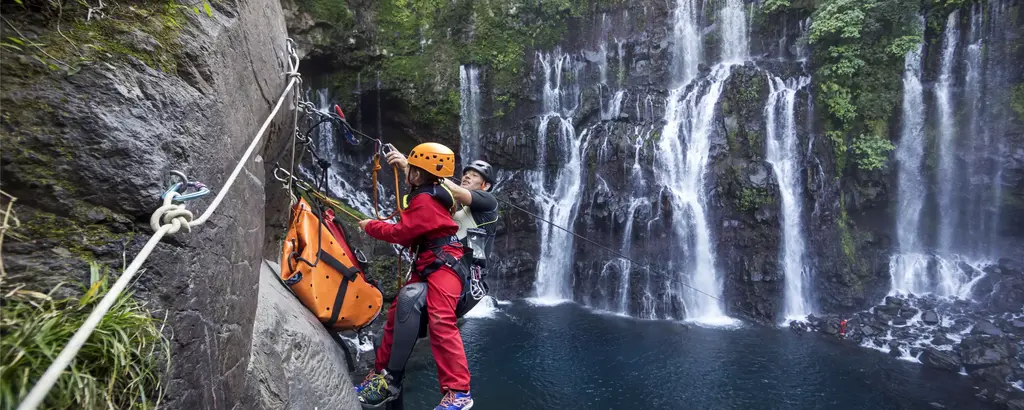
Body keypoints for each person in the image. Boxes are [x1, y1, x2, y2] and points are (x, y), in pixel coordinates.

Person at [354, 142, 474, 410]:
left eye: (413, 170)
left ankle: (459, 391)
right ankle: (383, 379)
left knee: (441, 319)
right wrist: (405, 164)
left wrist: (369, 226)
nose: (411, 174)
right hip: (433, 261)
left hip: (444, 264)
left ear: (418, 175)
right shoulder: (438, 190)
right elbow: (427, 179)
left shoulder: (423, 199)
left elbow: (400, 234)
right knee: (397, 315)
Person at [384, 151, 499, 315]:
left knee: (430, 318)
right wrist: (410, 171)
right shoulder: (452, 206)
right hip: (441, 269)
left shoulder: (489, 203)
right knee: (402, 311)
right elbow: (431, 191)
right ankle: (381, 340)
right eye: (466, 174)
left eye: (474, 176)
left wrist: (416, 168)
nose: (467, 177)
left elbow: (454, 191)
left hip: (464, 278)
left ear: (485, 186)